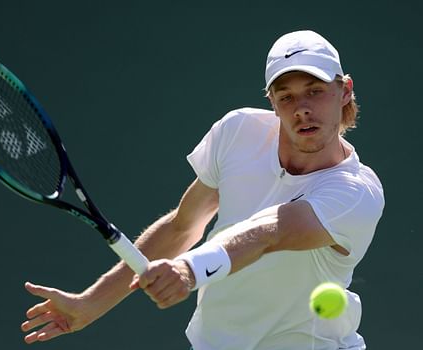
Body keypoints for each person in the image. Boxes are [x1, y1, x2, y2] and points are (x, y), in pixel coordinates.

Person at [21, 30, 384, 349]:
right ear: (271, 102)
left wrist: (189, 270)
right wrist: (90, 304)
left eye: (315, 91)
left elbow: (268, 232)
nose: (302, 108)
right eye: (286, 96)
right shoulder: (237, 133)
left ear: (344, 90)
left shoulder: (356, 192)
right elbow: (183, 227)